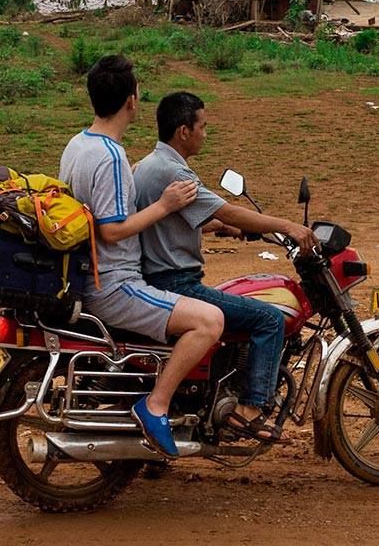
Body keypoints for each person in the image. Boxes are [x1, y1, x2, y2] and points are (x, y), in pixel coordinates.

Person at [58, 56, 224, 457]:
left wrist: (212, 224)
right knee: (210, 321)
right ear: (132, 100)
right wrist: (166, 205)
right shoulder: (112, 157)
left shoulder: (79, 144)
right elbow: (111, 230)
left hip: (88, 275)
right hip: (113, 284)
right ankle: (155, 406)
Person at [135, 91, 316, 443]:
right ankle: (248, 410)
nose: (206, 133)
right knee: (268, 319)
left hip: (157, 277)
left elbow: (180, 219)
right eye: (203, 126)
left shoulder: (148, 165)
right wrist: (287, 225)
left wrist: (222, 227)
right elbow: (227, 208)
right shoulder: (175, 172)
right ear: (184, 131)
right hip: (178, 283)